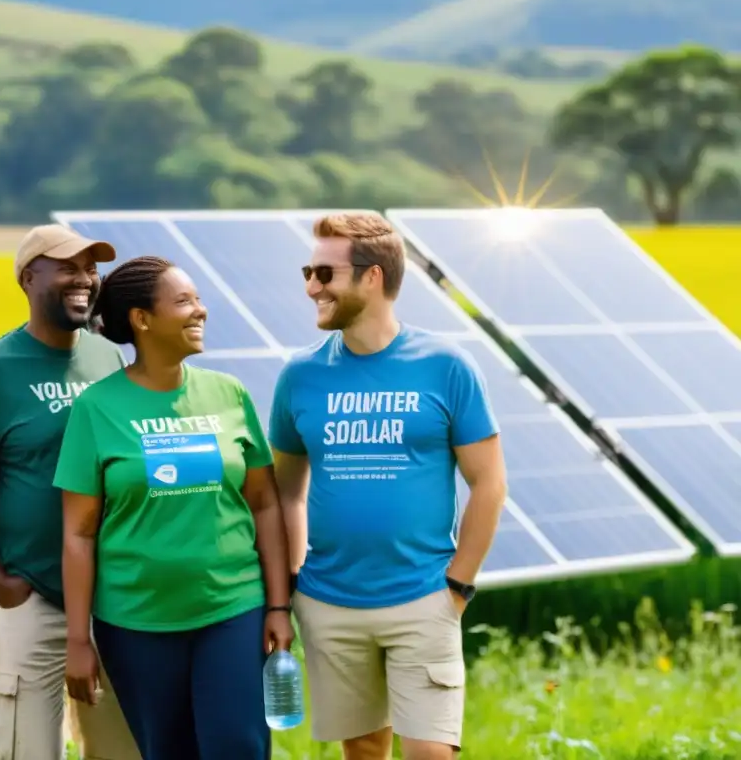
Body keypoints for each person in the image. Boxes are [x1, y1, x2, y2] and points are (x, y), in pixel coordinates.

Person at [269, 213, 508, 760]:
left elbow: (489, 482)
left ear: (371, 277)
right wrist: (295, 588)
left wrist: (457, 589)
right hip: (329, 602)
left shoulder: (447, 365)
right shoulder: (299, 376)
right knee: (365, 751)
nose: (311, 287)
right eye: (308, 271)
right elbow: (285, 492)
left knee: (429, 752)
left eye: (324, 274)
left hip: (425, 597)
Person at [55, 256, 295, 760]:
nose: (201, 311)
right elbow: (78, 533)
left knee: (238, 746)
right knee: (167, 751)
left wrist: (277, 604)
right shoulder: (96, 409)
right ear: (142, 320)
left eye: (199, 299)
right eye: (185, 301)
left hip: (232, 608)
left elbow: (265, 505)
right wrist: (79, 639)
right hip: (135, 621)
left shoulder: (228, 393)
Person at [0, 224, 141, 760]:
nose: (85, 280)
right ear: (29, 278)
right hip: (33, 599)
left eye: (91, 269)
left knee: (121, 749)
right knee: (23, 751)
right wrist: (2, 583)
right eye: (68, 267)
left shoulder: (108, 359)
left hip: (113, 598)